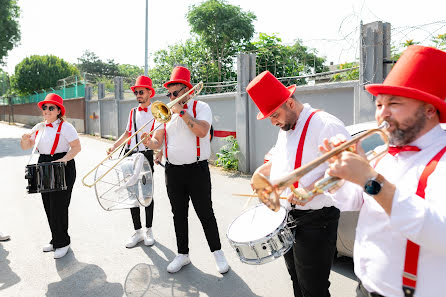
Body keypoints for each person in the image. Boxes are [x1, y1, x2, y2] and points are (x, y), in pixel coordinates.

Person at [320, 45, 446, 297]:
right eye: (379, 105)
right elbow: (354, 201)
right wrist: (337, 177)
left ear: (429, 109)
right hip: (365, 288)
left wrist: (370, 179)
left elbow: (440, 233)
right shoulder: (382, 154)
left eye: (394, 103)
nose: (382, 114)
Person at [246, 71, 350, 297]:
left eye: (274, 115)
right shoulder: (285, 127)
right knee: (296, 279)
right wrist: (261, 172)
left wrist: (312, 190)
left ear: (290, 103)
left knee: (314, 289)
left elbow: (347, 171)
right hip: (289, 218)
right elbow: (279, 159)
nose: (273, 122)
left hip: (317, 221)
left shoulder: (326, 124)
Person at [142, 66, 229, 274]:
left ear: (187, 91)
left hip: (197, 170)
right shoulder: (164, 115)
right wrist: (149, 142)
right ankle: (183, 254)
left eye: (175, 93)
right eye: (169, 93)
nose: (171, 97)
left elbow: (201, 131)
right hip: (173, 171)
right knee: (178, 214)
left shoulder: (201, 107)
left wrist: (181, 112)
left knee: (205, 213)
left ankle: (217, 253)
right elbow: (158, 142)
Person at [20, 93, 81, 259]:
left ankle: (63, 242)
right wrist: (25, 138)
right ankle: (56, 239)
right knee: (48, 204)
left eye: (50, 108)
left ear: (58, 111)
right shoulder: (39, 127)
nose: (46, 110)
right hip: (44, 163)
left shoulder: (67, 127)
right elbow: (26, 146)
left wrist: (63, 160)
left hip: (63, 164)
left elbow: (76, 148)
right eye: (44, 107)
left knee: (59, 206)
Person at [107, 75, 159, 248]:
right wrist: (114, 146)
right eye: (136, 92)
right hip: (131, 155)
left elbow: (161, 135)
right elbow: (128, 133)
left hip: (146, 154)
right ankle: (138, 232)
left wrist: (159, 152)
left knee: (147, 193)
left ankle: (149, 230)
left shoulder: (157, 110)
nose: (138, 94)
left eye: (141, 91)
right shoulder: (133, 112)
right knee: (131, 193)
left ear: (149, 93)